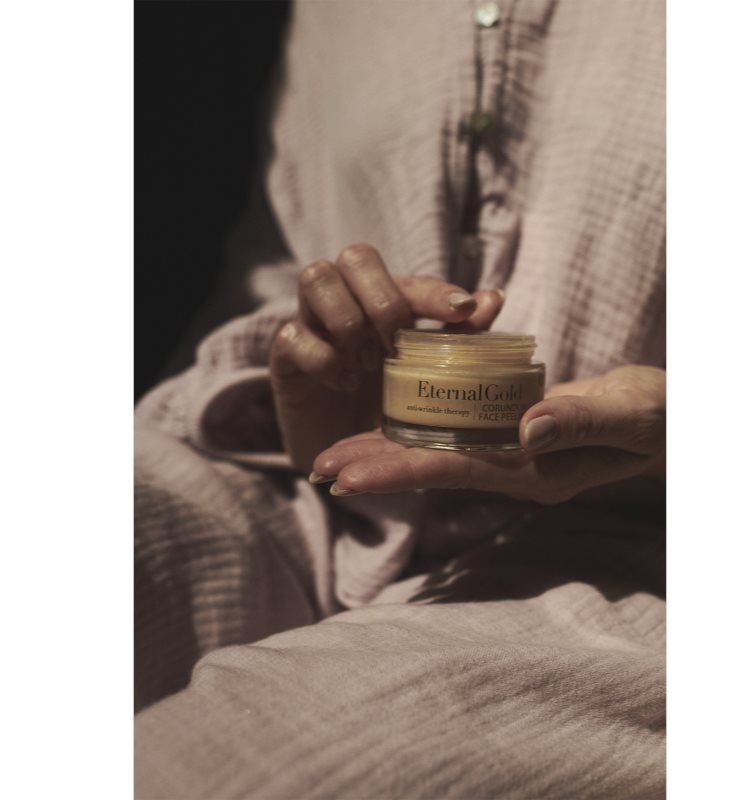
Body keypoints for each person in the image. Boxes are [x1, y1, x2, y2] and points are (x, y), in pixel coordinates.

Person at [135, 1, 666, 797]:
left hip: (644, 552)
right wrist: (305, 370)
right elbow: (276, 257)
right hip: (285, 484)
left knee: (223, 772)